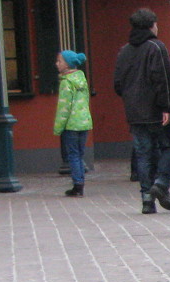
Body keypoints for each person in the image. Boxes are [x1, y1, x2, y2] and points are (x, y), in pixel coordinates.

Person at [114, 8, 170, 215]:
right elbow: (163, 80)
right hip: (155, 109)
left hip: (133, 111)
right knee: (168, 146)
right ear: (152, 25)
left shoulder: (124, 51)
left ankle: (146, 199)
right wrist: (166, 106)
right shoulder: (156, 47)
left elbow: (117, 84)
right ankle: (161, 183)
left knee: (143, 154)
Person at [53, 50, 92, 198]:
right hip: (84, 122)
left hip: (71, 124)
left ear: (68, 64)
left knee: (73, 155)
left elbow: (64, 108)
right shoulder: (82, 79)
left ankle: (77, 185)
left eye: (59, 61)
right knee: (80, 154)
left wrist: (58, 128)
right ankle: (80, 181)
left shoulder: (66, 82)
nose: (57, 64)